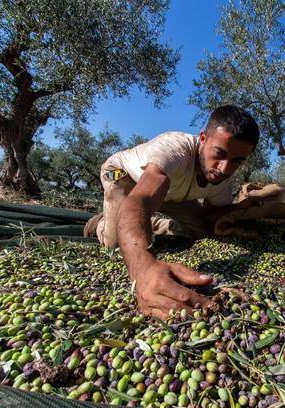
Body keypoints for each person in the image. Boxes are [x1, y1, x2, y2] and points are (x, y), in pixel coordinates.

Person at [85, 105, 261, 319]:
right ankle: (101, 224)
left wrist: (242, 210)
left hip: (172, 193)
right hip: (127, 178)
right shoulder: (174, 150)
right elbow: (140, 201)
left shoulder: (223, 176)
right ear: (203, 138)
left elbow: (212, 216)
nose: (224, 168)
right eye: (219, 153)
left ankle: (153, 224)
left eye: (237, 161)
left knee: (204, 232)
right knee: (115, 245)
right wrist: (143, 269)